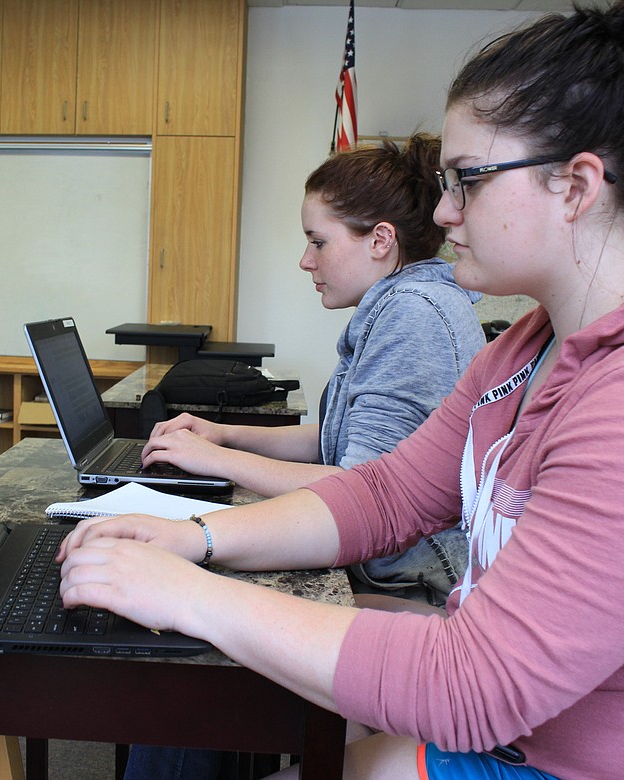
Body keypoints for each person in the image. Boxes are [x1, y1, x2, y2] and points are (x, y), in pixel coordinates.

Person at [58, 0, 624, 777]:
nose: (442, 211)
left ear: (576, 186)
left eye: (467, 181)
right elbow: (389, 495)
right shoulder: (527, 349)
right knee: (228, 703)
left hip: (585, 760)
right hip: (525, 724)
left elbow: (474, 684)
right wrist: (196, 542)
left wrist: (189, 594)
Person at [142, 136, 485, 606]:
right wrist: (221, 434)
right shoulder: (405, 302)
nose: (306, 261)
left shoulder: (415, 315)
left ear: (381, 240)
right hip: (388, 565)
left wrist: (218, 462)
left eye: (318, 242)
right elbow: (337, 440)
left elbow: (361, 490)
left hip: (413, 584)